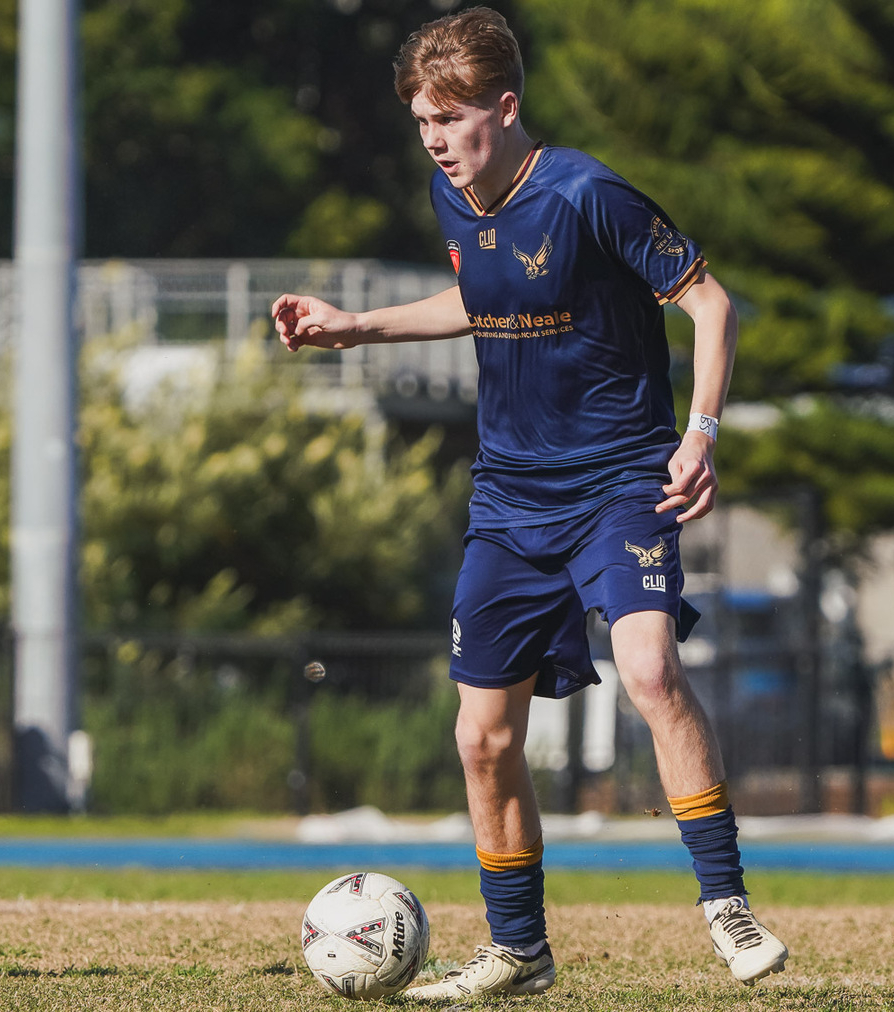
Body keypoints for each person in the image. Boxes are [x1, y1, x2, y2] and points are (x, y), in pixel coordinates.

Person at [272, 9, 785, 998]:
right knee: (480, 736)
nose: (432, 137)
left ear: (504, 108)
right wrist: (356, 328)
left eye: (449, 118)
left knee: (646, 667)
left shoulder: (587, 193)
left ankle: (725, 907)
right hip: (508, 497)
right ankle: (518, 949)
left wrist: (701, 433)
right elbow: (482, 297)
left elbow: (709, 304)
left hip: (619, 480)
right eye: (421, 119)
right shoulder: (451, 194)